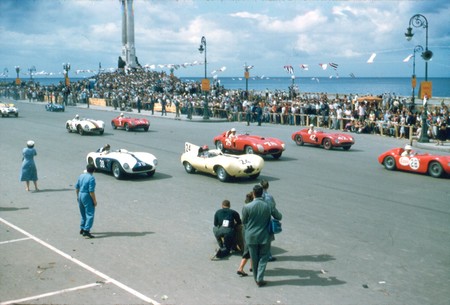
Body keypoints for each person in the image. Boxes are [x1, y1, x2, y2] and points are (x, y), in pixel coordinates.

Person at [242, 185, 282, 287]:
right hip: (264, 237)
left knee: (254, 258)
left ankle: (256, 278)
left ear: (253, 193)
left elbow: (244, 222)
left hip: (251, 237)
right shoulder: (268, 206)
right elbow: (279, 216)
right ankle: (260, 278)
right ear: (262, 193)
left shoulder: (247, 207)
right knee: (264, 257)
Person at [260, 179, 280, 262]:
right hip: (267, 219)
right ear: (267, 186)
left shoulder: (256, 195)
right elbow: (273, 207)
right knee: (267, 238)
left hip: (257, 219)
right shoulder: (270, 197)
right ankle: (268, 255)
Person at [75, 164, 98, 239]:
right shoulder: (91, 178)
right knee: (90, 214)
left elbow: (77, 187)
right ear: (93, 170)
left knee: (83, 213)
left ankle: (82, 227)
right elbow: (91, 191)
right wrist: (94, 201)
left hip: (80, 194)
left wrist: (77, 196)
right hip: (86, 196)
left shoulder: (81, 176)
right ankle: (86, 230)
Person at [237, 191, 254, 277]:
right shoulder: (252, 207)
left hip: (245, 229)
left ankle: (252, 267)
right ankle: (241, 268)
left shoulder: (245, 207)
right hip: (250, 230)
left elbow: (243, 220)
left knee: (248, 248)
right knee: (250, 249)